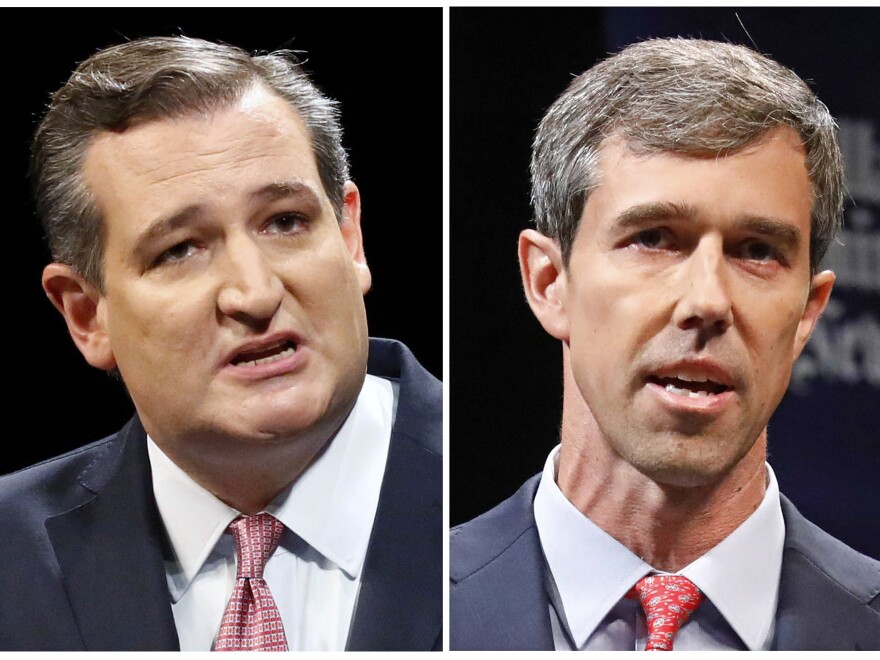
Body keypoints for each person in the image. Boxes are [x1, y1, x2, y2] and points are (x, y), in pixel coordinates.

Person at [0, 36, 441, 652]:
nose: (255, 293)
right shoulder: (11, 562)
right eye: (179, 249)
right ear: (87, 314)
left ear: (350, 239)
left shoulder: (501, 492)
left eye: (285, 221)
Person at [450, 38, 880, 651]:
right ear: (550, 283)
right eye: (655, 238)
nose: (707, 301)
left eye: (757, 251)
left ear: (808, 313)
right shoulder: (416, 611)